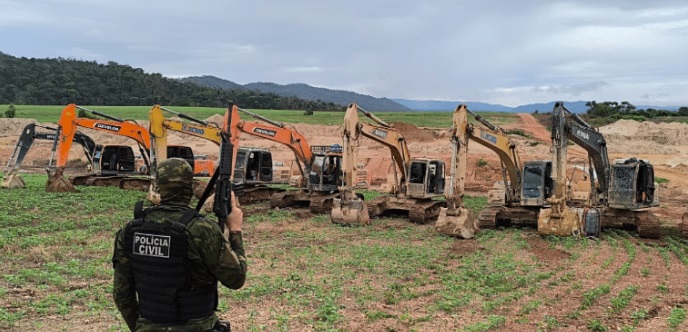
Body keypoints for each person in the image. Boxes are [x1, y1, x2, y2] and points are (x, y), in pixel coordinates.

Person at [112, 158, 246, 332]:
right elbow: (236, 279)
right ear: (189, 188)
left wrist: (141, 327)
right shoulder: (201, 230)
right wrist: (235, 230)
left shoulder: (131, 231)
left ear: (158, 188)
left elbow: (122, 295)